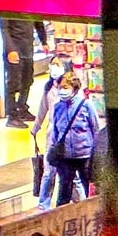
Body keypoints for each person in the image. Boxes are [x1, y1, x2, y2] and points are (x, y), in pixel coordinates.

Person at [38, 71, 96, 209]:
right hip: (65, 156)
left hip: (84, 155)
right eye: (60, 88)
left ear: (74, 88)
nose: (62, 91)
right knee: (64, 188)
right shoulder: (58, 107)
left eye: (65, 87)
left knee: (88, 186)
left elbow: (95, 129)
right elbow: (55, 132)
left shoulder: (86, 105)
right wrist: (53, 149)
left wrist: (96, 152)